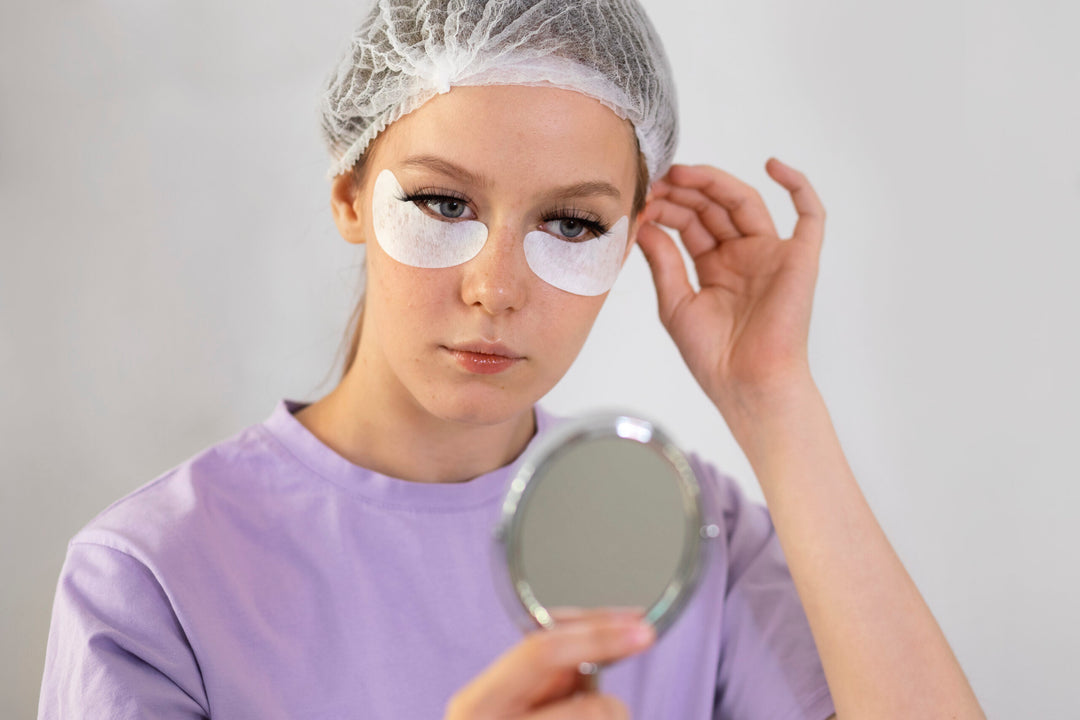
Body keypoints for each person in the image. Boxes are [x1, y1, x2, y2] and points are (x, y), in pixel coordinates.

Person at [38, 1, 984, 718]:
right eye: (446, 204)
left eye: (571, 223)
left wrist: (774, 399)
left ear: (631, 239)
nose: (498, 286)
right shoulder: (151, 578)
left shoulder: (689, 536)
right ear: (350, 196)